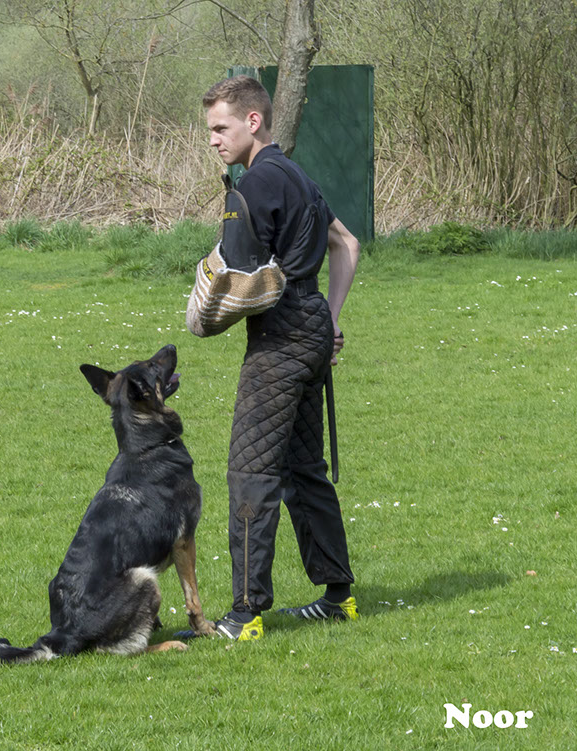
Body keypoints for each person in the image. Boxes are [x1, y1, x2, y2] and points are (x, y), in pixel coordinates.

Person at [202, 75, 361, 640]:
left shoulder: (253, 185)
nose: (213, 140)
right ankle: (338, 597)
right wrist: (329, 319)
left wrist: (203, 312)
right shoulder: (297, 175)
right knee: (302, 468)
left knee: (251, 471)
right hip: (311, 326)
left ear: (253, 121)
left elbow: (235, 282)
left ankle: (244, 614)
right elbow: (347, 243)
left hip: (279, 340)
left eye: (220, 128)